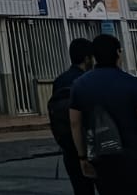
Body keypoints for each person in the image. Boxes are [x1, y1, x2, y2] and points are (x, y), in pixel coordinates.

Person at [68, 34, 137, 195]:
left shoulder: (79, 85)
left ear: (94, 57)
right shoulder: (132, 83)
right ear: (118, 53)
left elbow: (75, 124)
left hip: (101, 159)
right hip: (133, 159)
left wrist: (82, 157)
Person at [48, 38, 95, 195]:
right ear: (87, 58)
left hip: (69, 147)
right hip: (93, 145)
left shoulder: (59, 81)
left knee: (81, 190)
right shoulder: (89, 79)